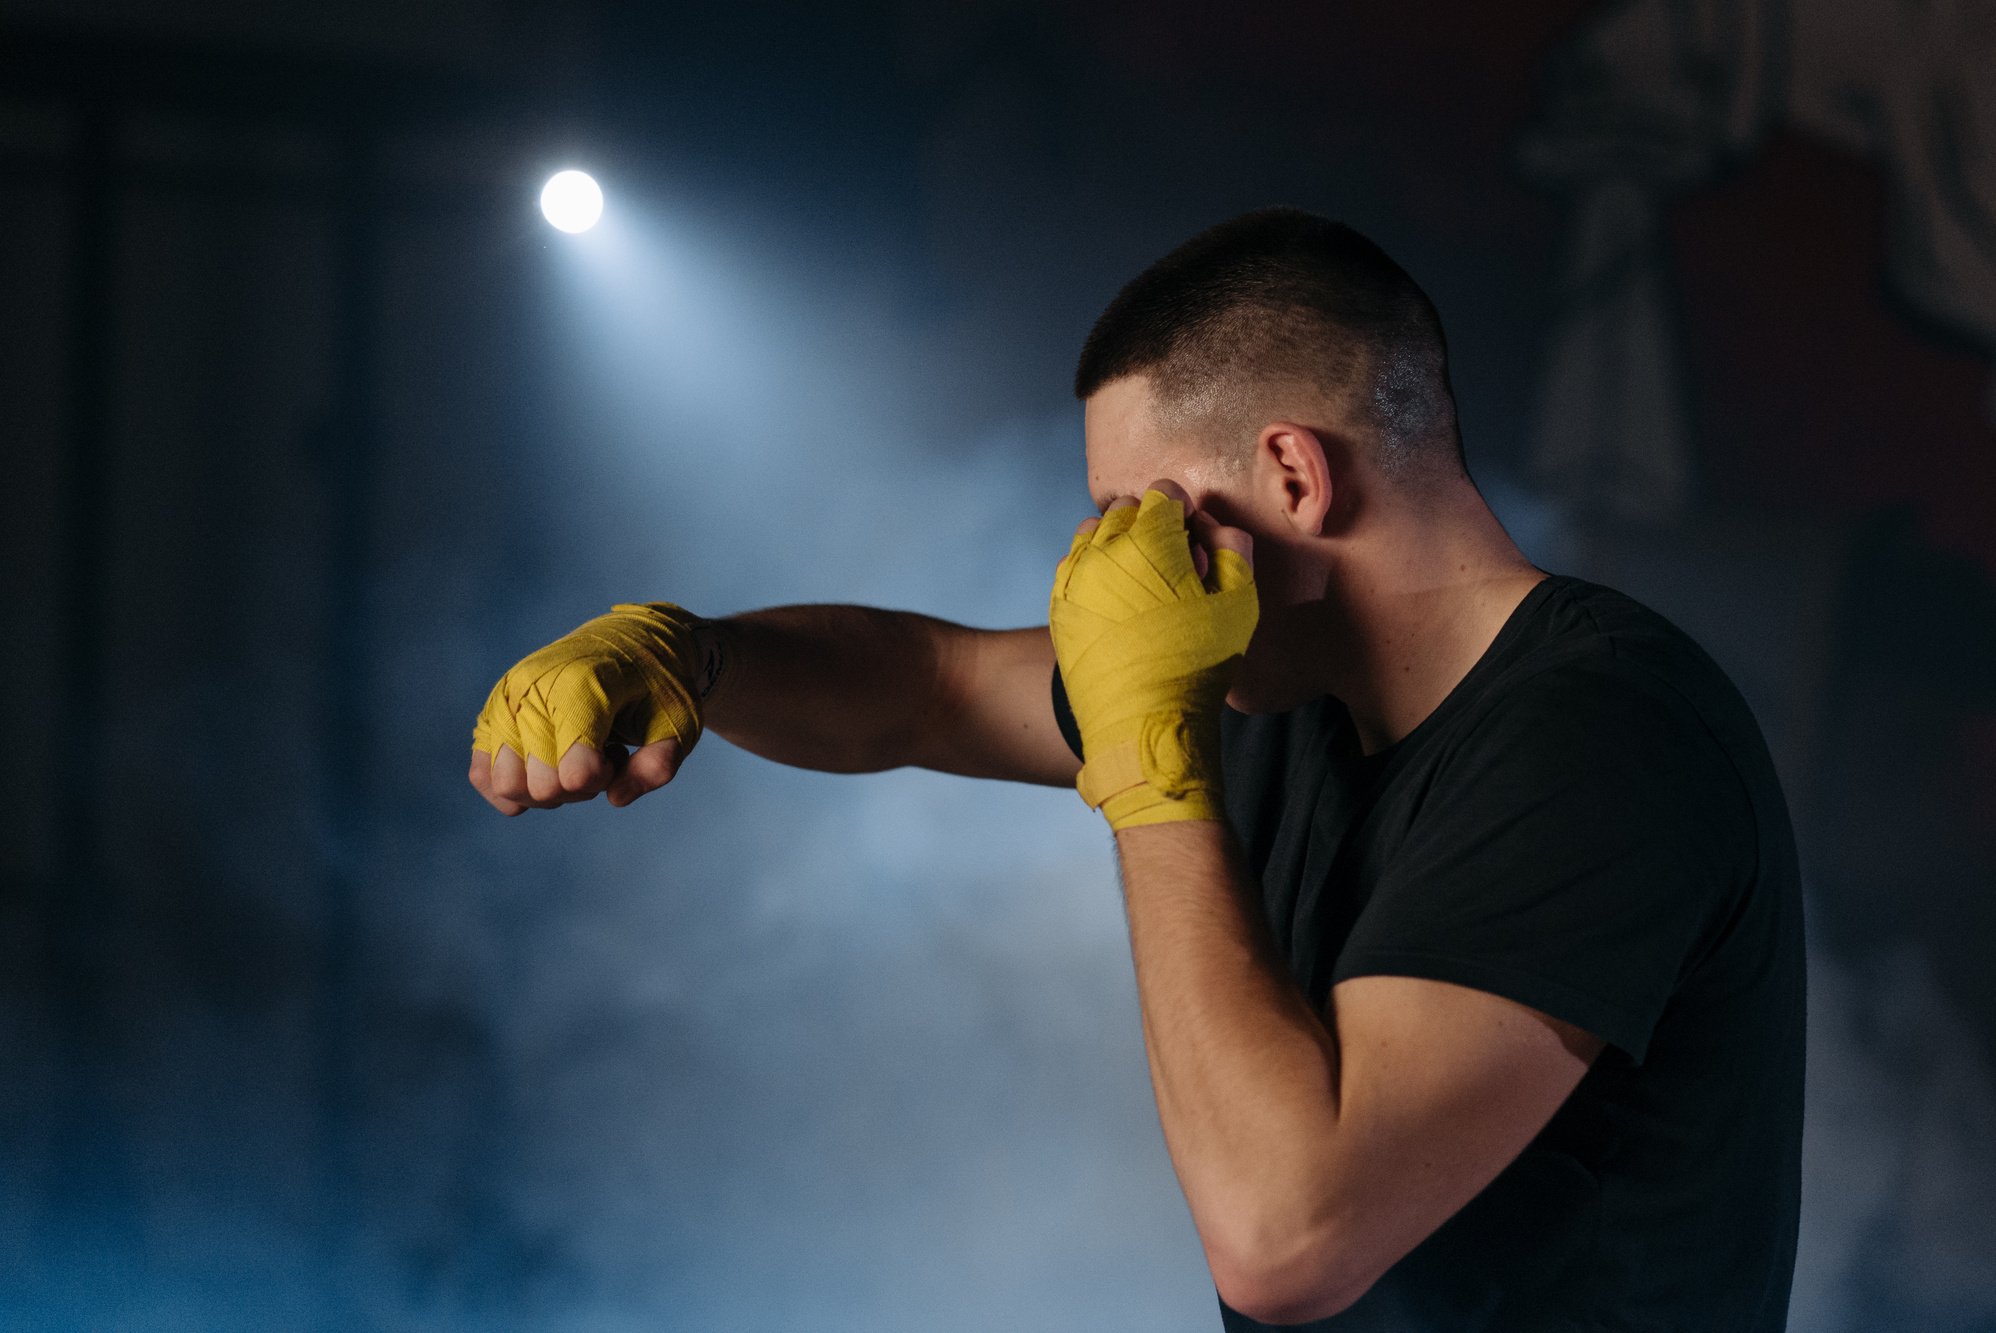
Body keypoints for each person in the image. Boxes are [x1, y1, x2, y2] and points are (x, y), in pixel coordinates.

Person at [468, 208, 1806, 1330]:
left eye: (1131, 512)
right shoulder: (1277, 682)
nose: (1112, 563)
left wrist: (1150, 767)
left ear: (1291, 473)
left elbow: (1290, 1239)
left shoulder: (1599, 736)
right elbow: (928, 689)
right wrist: (695, 652)